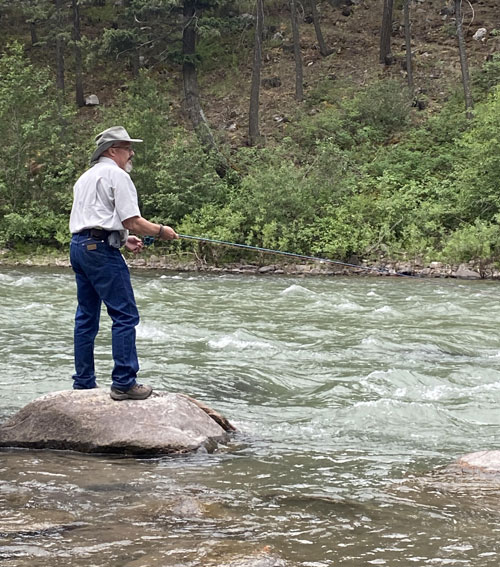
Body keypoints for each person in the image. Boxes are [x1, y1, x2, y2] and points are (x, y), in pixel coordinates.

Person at [69, 126, 178, 400]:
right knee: (125, 315)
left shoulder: (85, 178)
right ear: (112, 150)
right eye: (128, 148)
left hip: (79, 248)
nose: (132, 153)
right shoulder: (117, 175)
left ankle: (83, 382)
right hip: (101, 252)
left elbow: (96, 218)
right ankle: (124, 383)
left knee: (86, 318)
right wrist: (161, 230)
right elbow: (133, 220)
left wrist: (123, 238)